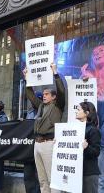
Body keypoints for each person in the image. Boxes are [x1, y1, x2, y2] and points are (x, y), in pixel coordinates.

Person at [23, 63, 65, 193]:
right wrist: (27, 79)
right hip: (38, 143)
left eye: (47, 94)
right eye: (44, 94)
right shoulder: (41, 106)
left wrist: (55, 73)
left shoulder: (58, 106)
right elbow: (30, 95)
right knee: (42, 179)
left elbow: (61, 91)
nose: (44, 95)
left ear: (53, 97)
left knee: (52, 178)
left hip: (49, 143)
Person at [75, 102, 101, 193]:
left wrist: (87, 147)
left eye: (78, 110)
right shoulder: (76, 129)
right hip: (78, 171)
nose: (76, 112)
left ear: (86, 113)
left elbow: (96, 152)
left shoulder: (93, 130)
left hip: (89, 173)